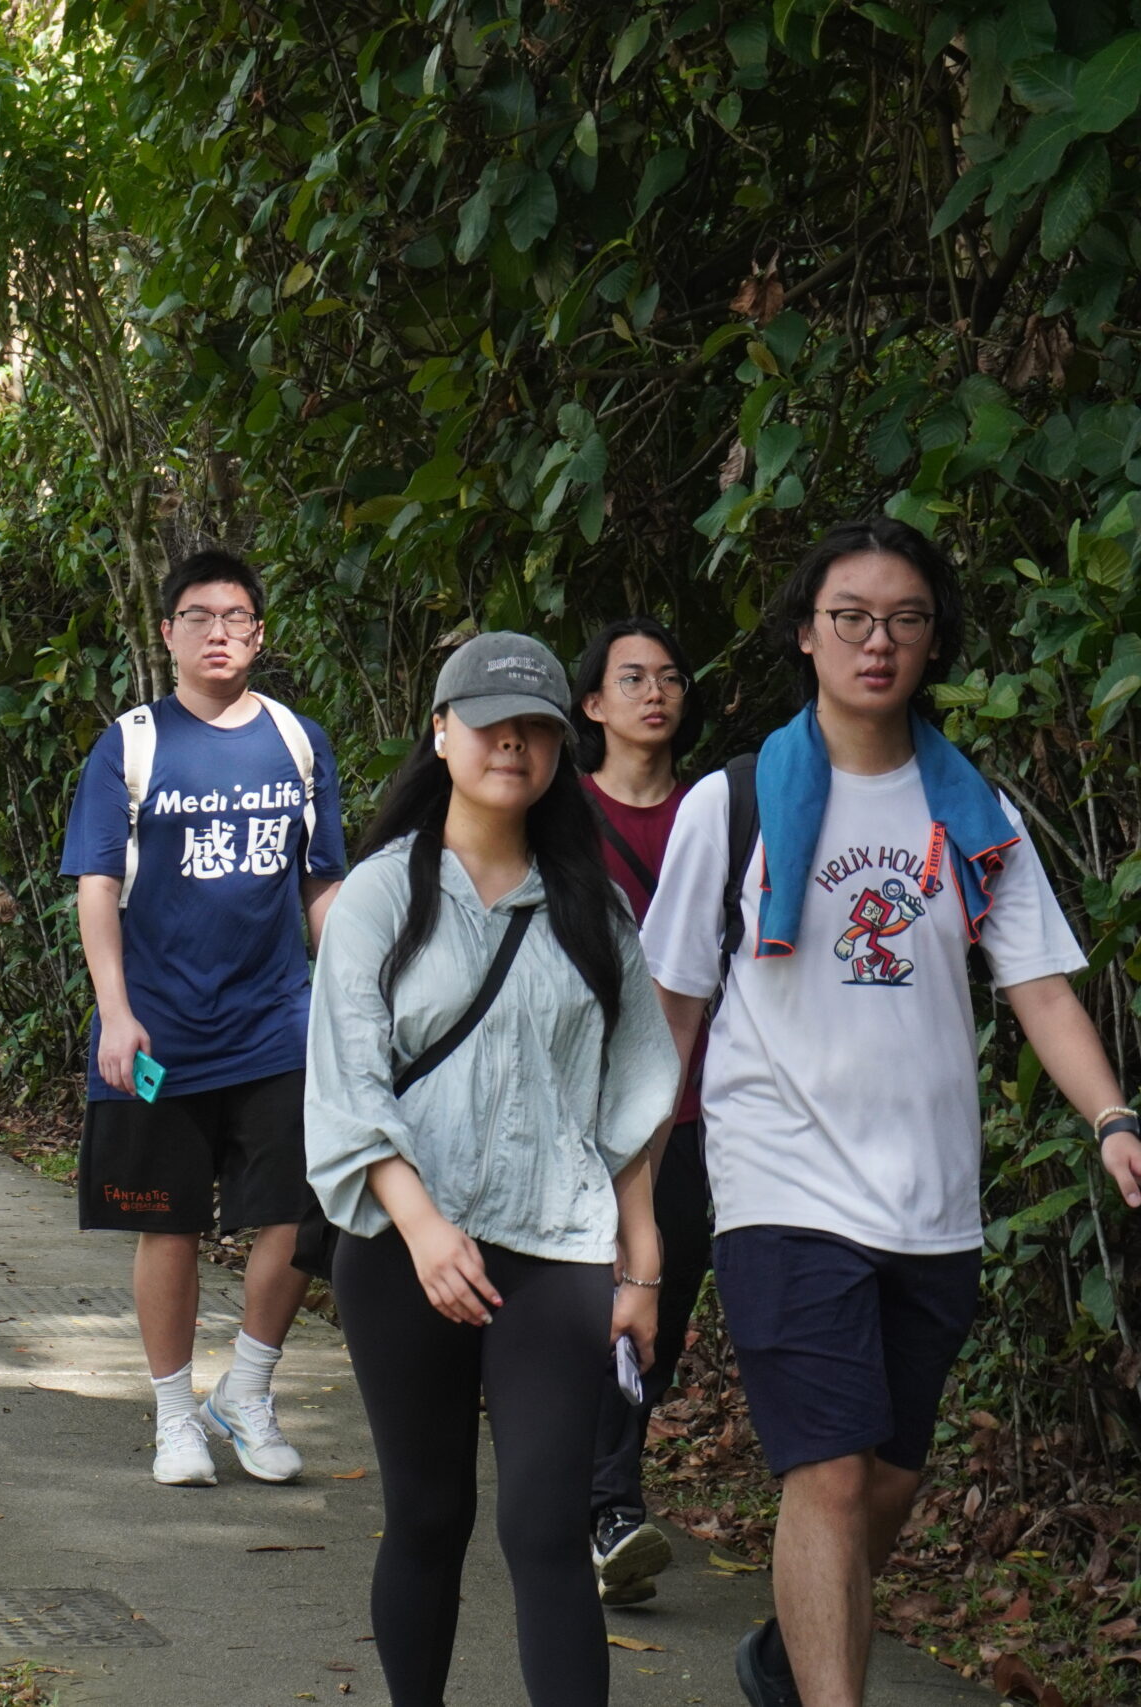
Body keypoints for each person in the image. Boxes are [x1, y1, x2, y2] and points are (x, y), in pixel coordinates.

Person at [637, 516, 1141, 1707]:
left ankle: (788, 1642)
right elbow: (668, 1015)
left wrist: (1114, 1118)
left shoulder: (974, 813)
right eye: (850, 619)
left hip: (930, 1196)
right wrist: (634, 1201)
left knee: (885, 1483)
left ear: (931, 642)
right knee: (823, 1470)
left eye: (904, 621)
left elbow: (1038, 990)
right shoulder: (734, 804)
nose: (877, 642)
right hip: (778, 1182)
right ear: (805, 635)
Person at [304, 630, 679, 1707]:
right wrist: (423, 1229)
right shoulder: (380, 895)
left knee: (545, 1528)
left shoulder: (589, 907)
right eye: (488, 722)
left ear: (562, 748)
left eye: (535, 729)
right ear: (441, 732)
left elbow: (628, 1093)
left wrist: (640, 1256)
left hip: (554, 1242)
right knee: (428, 1516)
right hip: (400, 1248)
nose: (510, 744)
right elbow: (347, 1085)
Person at [59, 547, 346, 1491]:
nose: (219, 632)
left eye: (236, 617)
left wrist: (355, 996)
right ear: (169, 632)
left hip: (278, 1024)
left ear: (260, 634)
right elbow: (98, 885)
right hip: (162, 1033)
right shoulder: (132, 743)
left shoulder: (299, 743)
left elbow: (320, 886)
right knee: (169, 1225)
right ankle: (176, 1415)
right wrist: (115, 1012)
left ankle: (249, 1392)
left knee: (302, 1216)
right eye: (199, 616)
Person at [566, 615, 713, 1610]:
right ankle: (605, 1502)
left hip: (700, 1105)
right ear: (591, 703)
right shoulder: (560, 812)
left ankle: (599, 1491)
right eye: (631, 678)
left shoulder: (718, 813)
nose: (653, 693)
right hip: (583, 1103)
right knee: (594, 1296)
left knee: (662, 1303)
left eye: (667, 677)